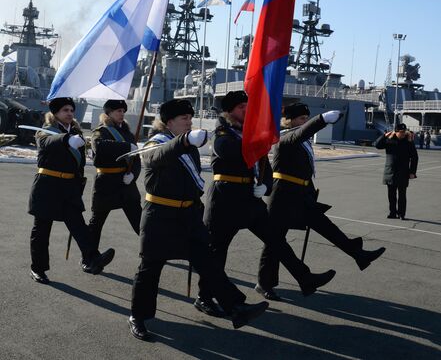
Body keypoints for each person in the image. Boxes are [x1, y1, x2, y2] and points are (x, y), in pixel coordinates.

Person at [129, 99, 268, 341]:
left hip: (188, 216)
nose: (190, 122)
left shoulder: (189, 146)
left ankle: (236, 307)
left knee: (208, 262)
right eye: (184, 119)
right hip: (160, 217)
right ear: (169, 122)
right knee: (150, 270)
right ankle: (138, 317)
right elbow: (155, 157)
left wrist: (186, 143)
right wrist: (184, 141)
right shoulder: (156, 143)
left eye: (190, 118)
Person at [196, 91, 335, 314]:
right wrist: (260, 139)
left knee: (276, 240)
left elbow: (264, 165)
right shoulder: (222, 132)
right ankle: (204, 297)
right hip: (225, 199)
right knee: (217, 252)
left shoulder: (249, 134)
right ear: (229, 111)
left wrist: (266, 186)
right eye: (242, 107)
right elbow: (229, 152)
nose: (247, 110)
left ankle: (305, 278)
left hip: (251, 198)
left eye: (248, 106)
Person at [257, 102, 386, 299]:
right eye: (301, 118)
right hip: (282, 196)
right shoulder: (285, 137)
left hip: (301, 193)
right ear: (289, 120)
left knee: (326, 225)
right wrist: (321, 120)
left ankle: (358, 254)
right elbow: (299, 134)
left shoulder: (301, 140)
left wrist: (309, 190)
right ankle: (265, 284)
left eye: (307, 118)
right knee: (275, 242)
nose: (304, 121)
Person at [28, 97, 115, 284]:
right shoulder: (46, 131)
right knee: (42, 230)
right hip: (47, 187)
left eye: (71, 110)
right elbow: (46, 143)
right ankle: (38, 268)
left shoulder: (76, 132)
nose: (69, 113)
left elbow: (79, 164)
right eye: (65, 110)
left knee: (79, 226)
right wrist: (66, 139)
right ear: (55, 113)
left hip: (68, 189)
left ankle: (92, 258)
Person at [88, 99, 142, 252]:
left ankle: (152, 250)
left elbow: (136, 159)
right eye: (118, 111)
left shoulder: (128, 133)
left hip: (126, 184)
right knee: (96, 222)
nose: (121, 114)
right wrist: (126, 146)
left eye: (123, 111)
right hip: (106, 183)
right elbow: (100, 147)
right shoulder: (100, 131)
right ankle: (89, 256)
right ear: (108, 113)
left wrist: (133, 175)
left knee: (140, 221)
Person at [375, 123, 418, 220]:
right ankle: (393, 213)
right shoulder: (389, 140)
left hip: (403, 172)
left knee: (402, 195)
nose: (403, 134)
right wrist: (384, 135)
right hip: (390, 172)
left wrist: (412, 172)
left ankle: (401, 214)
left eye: (404, 132)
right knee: (391, 195)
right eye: (401, 132)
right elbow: (377, 145)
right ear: (396, 131)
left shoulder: (408, 142)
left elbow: (415, 157)